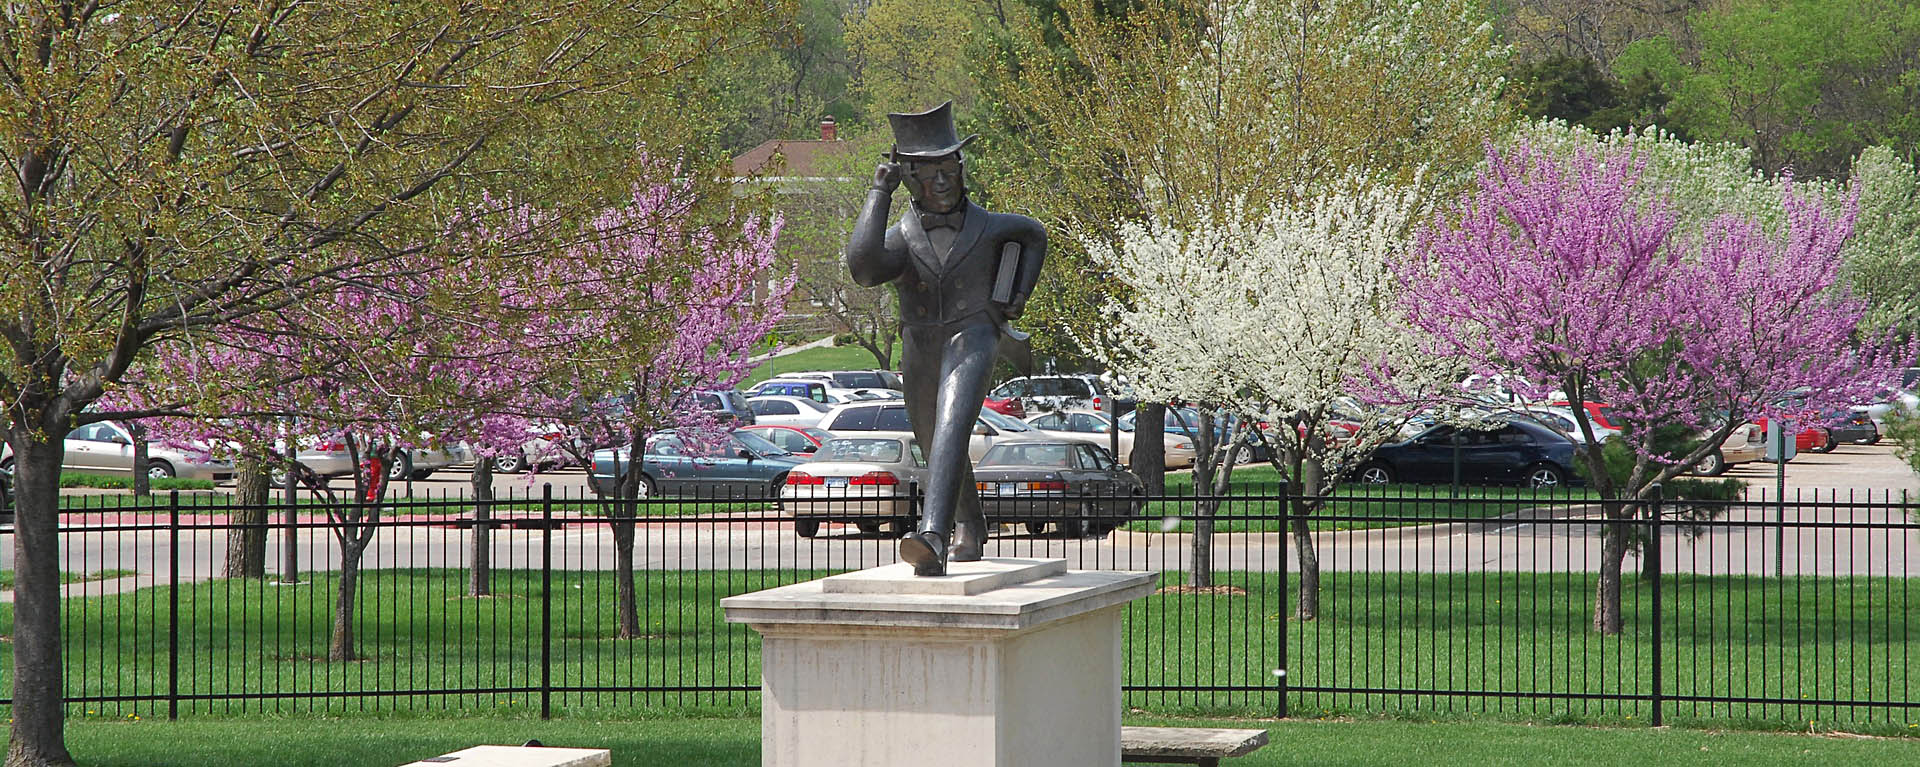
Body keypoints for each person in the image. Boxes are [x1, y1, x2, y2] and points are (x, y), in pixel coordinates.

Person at [845, 101, 1047, 576]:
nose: (942, 179)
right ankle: (970, 527)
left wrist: (1015, 297)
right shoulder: (898, 239)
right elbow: (862, 267)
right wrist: (878, 192)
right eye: (928, 170)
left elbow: (1034, 235)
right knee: (934, 439)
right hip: (920, 345)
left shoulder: (995, 227)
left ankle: (932, 534)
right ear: (907, 176)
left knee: (952, 426)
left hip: (974, 334)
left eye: (949, 166)